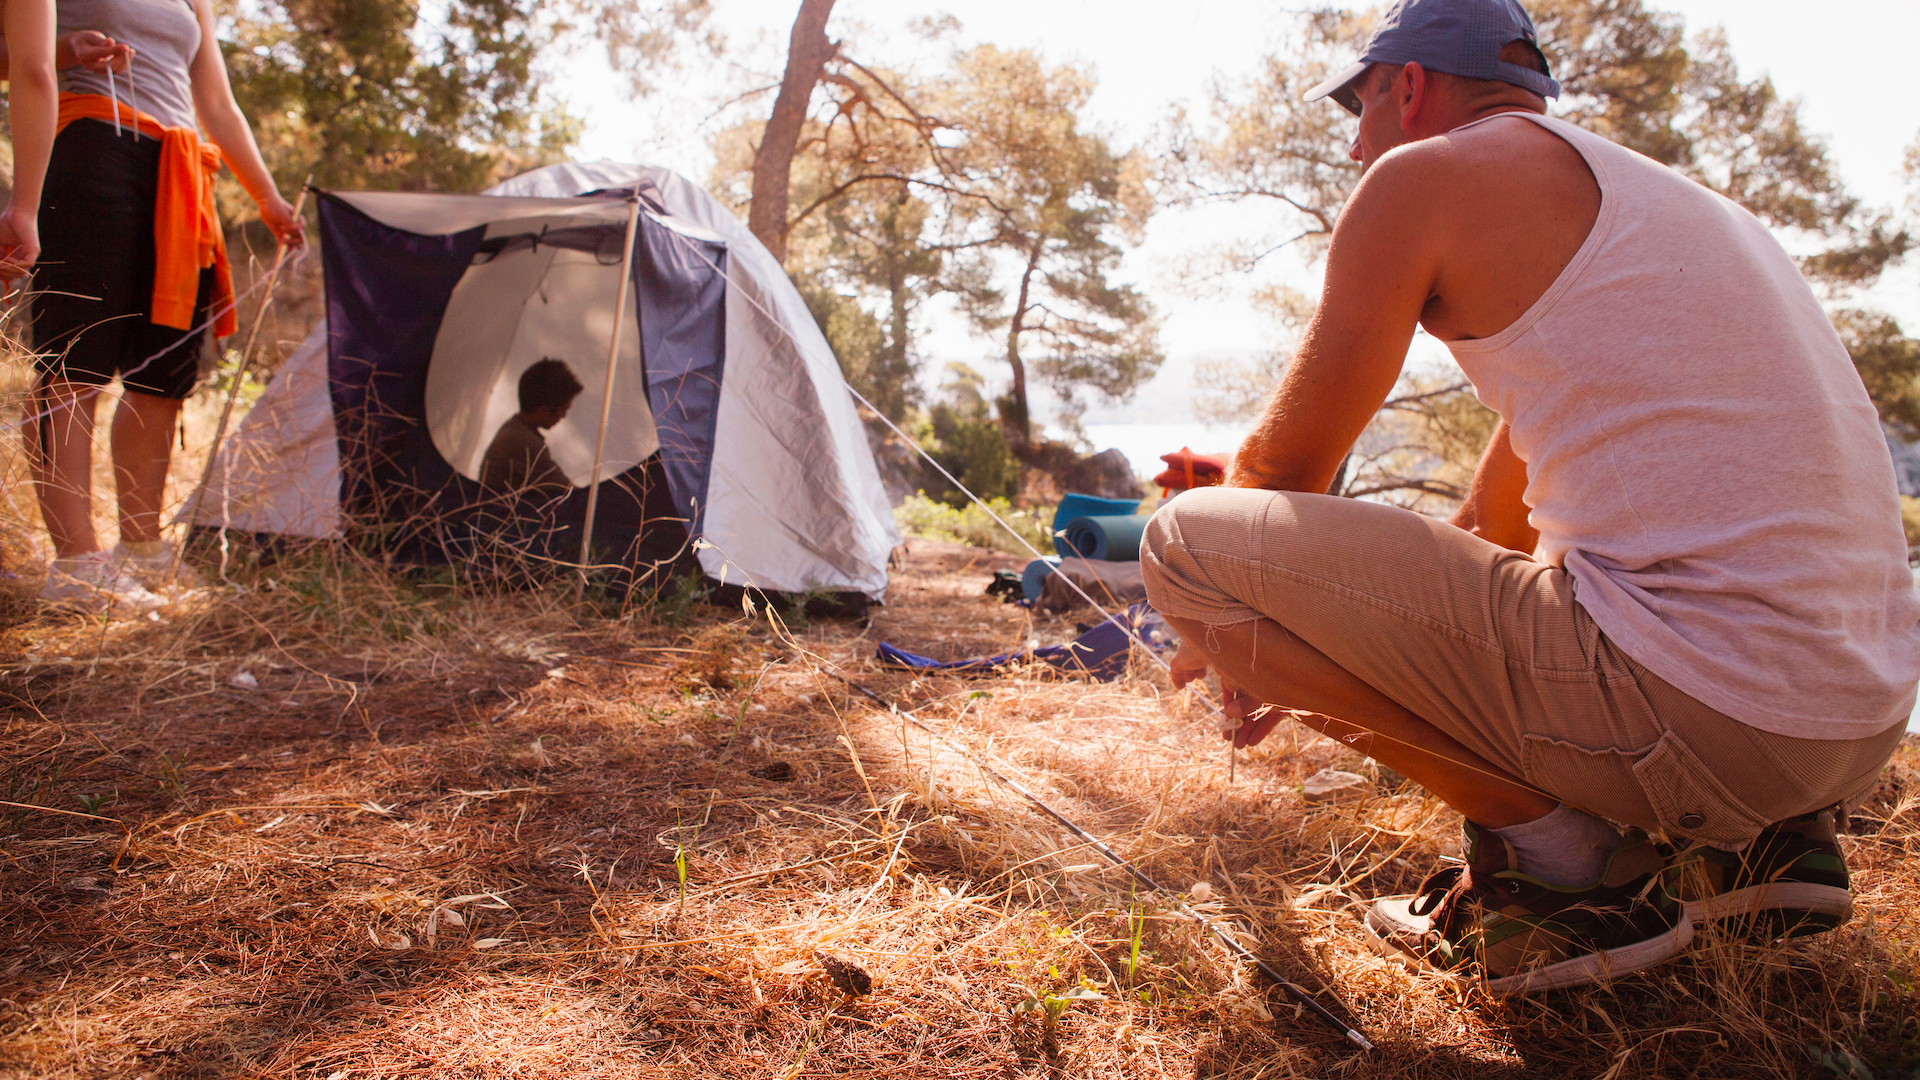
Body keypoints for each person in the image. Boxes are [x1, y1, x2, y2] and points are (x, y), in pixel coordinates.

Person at [1141, 0, 1920, 995]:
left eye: (1359, 101)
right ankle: (1758, 853)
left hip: (1714, 719)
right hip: (1856, 722)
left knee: (1180, 542)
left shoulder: (1421, 177)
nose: (1353, 141)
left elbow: (1282, 474)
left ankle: (1562, 874)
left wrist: (1218, 619)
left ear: (1408, 84)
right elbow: (1490, 535)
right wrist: (1303, 627)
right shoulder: (1674, 213)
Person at [22, 0, 304, 611]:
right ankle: (75, 564)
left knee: (163, 373)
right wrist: (68, 52)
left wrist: (268, 198)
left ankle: (142, 549)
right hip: (92, 142)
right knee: (75, 365)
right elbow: (22, 60)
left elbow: (218, 105)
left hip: (180, 169)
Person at [480, 358, 584, 494]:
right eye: (564, 409)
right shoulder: (523, 442)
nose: (564, 416)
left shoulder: (516, 429)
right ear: (544, 409)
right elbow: (568, 492)